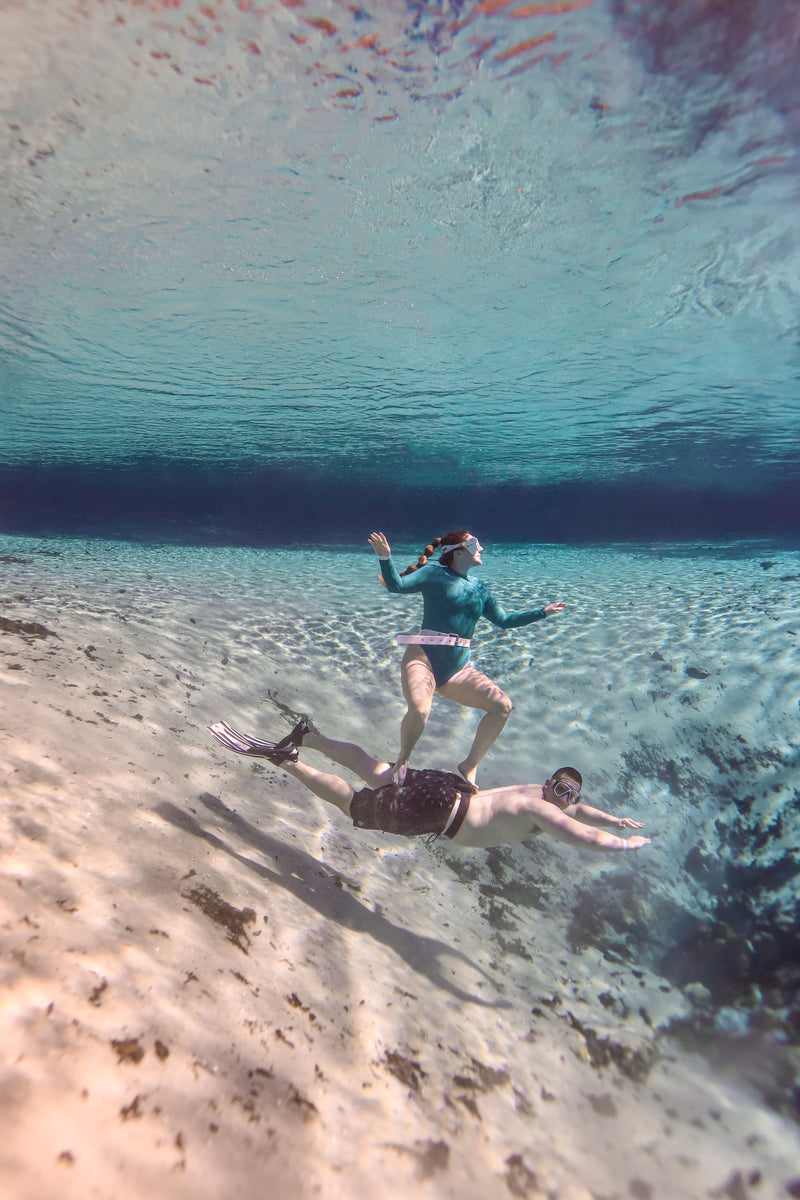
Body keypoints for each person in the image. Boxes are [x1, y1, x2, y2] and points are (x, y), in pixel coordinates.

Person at [207, 719, 649, 854]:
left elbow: (585, 817)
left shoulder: (538, 792)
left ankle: (308, 736)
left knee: (376, 769)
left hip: (447, 786)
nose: (562, 798)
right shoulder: (544, 812)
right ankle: (290, 760)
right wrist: (623, 846)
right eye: (560, 789)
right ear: (553, 787)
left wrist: (615, 819)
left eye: (568, 794)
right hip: (442, 813)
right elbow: (584, 835)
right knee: (356, 805)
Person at [367, 530, 566, 788]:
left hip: (458, 670)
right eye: (475, 543)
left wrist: (542, 613)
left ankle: (470, 764)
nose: (481, 547)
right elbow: (396, 586)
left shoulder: (479, 588)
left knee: (502, 707)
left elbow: (504, 621)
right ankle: (403, 758)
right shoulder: (433, 575)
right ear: (458, 551)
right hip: (423, 658)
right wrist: (386, 558)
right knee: (419, 710)